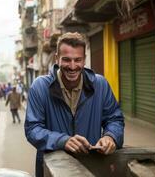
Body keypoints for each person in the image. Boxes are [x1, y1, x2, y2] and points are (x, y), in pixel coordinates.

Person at [24, 32, 125, 177]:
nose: (72, 66)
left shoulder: (100, 85)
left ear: (84, 60)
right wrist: (62, 141)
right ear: (57, 58)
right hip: (53, 170)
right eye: (66, 60)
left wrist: (111, 136)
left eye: (78, 60)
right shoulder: (40, 87)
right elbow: (32, 129)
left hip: (92, 168)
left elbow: (114, 119)